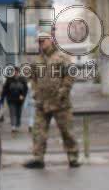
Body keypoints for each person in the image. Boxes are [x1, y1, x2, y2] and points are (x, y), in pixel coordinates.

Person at [24, 35, 81, 169]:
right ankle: (38, 158)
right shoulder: (37, 59)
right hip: (42, 102)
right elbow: (32, 77)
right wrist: (35, 91)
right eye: (39, 41)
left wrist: (64, 90)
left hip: (60, 102)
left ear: (51, 41)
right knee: (38, 131)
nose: (41, 43)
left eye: (43, 41)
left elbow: (71, 74)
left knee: (67, 131)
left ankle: (73, 157)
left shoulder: (62, 57)